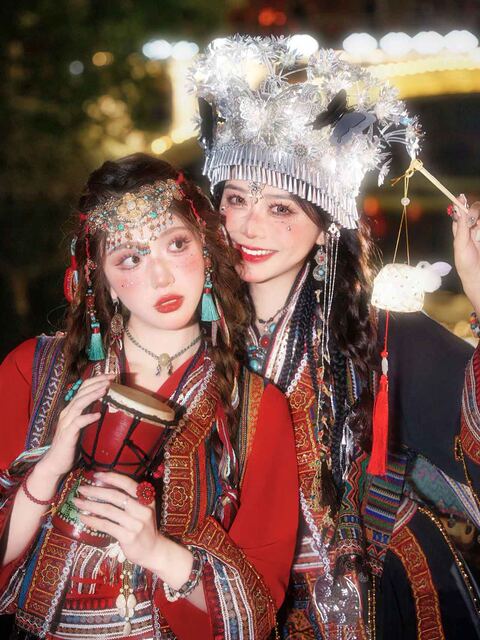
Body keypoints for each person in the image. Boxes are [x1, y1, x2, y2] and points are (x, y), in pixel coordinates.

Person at [191, 36, 480, 639]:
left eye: (280, 209)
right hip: (224, 596)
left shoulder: (386, 339)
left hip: (376, 602)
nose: (248, 225)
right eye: (236, 200)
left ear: (325, 226)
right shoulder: (188, 336)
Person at [0, 153, 299, 640]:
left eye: (176, 244)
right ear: (103, 279)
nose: (162, 277)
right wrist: (49, 470)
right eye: (131, 258)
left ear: (206, 248)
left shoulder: (257, 408)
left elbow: (258, 610)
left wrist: (158, 552)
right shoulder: (33, 371)